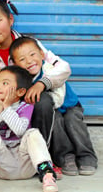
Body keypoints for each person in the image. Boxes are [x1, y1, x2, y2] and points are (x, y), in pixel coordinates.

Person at [0, 0, 71, 178]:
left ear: (10, 20)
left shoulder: (28, 43)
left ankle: (44, 161)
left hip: (23, 107)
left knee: (42, 99)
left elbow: (62, 68)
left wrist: (42, 83)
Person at [9, 36, 98, 176]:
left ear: (41, 54)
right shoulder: (23, 80)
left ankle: (86, 155)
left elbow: (59, 96)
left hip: (69, 105)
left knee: (72, 120)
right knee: (55, 121)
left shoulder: (49, 69)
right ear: (14, 64)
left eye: (32, 55)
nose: (29, 61)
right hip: (53, 110)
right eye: (22, 59)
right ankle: (65, 156)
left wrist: (42, 86)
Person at [0, 65, 58, 192]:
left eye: (5, 83)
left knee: (32, 133)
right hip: (2, 166)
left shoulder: (25, 107)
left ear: (20, 92)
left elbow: (19, 130)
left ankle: (47, 175)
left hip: (27, 165)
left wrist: (6, 107)